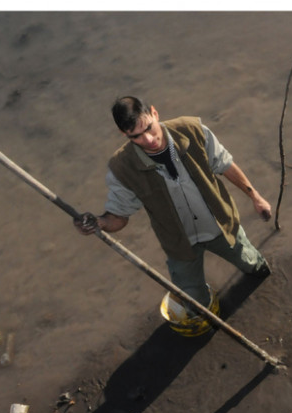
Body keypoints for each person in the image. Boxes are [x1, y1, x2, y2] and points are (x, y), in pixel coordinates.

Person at [75, 96, 272, 313]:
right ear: (124, 134)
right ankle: (205, 316)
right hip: (179, 244)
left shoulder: (193, 130)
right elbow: (118, 218)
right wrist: (99, 223)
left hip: (220, 226)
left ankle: (265, 283)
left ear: (154, 113)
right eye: (136, 136)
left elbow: (225, 165)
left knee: (253, 264)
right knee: (194, 300)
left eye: (149, 127)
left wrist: (256, 197)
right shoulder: (122, 168)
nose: (149, 139)